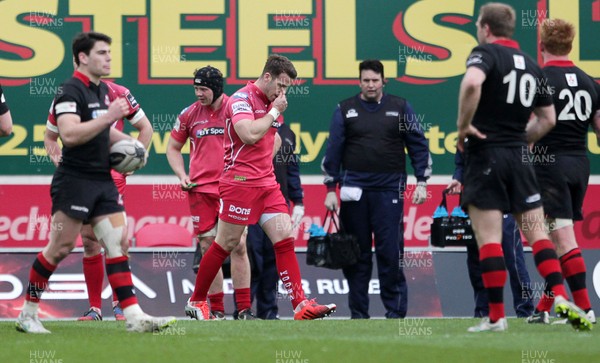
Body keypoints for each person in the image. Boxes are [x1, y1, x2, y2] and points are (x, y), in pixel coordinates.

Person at [15, 31, 175, 334]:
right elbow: (70, 134)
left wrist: (131, 147)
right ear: (83, 58)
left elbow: (106, 132)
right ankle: (27, 313)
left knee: (118, 243)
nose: (109, 58)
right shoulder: (69, 91)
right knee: (59, 248)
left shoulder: (103, 92)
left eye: (109, 52)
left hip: (103, 181)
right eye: (102, 53)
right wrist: (109, 117)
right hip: (75, 181)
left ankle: (133, 316)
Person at [457, 3, 591, 332]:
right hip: (522, 158)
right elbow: (548, 118)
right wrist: (522, 139)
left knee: (488, 237)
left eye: (478, 24)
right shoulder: (533, 66)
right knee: (538, 233)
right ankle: (559, 296)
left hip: (488, 154)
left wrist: (463, 127)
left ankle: (496, 317)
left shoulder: (484, 53)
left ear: (486, 28)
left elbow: (473, 83)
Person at [185, 54, 336, 320]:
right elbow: (249, 134)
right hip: (240, 183)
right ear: (267, 77)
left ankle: (300, 306)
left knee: (285, 240)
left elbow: (273, 140)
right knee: (224, 244)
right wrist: (275, 112)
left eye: (287, 87)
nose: (283, 92)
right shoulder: (242, 99)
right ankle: (197, 301)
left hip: (267, 184)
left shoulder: (271, 103)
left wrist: (264, 160)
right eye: (281, 85)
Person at [322, 59, 431, 319]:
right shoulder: (345, 109)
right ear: (359, 82)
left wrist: (422, 182)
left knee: (390, 253)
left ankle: (395, 313)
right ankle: (359, 315)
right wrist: (329, 189)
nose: (370, 85)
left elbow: (418, 145)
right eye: (366, 80)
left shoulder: (400, 107)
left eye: (375, 80)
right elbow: (333, 151)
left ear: (384, 81)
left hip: (389, 191)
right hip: (354, 192)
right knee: (356, 256)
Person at [44, 79, 153, 321]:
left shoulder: (119, 93)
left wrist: (134, 161)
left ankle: (120, 305)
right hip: (79, 175)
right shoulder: (66, 95)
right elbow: (50, 138)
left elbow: (146, 128)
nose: (104, 61)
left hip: (110, 176)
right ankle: (94, 309)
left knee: (117, 239)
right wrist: (63, 165)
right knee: (89, 241)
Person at [526, 18, 600, 325]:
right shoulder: (590, 81)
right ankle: (544, 308)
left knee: (550, 235)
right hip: (578, 166)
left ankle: (582, 308)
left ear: (541, 46)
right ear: (570, 46)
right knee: (556, 236)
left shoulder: (538, 80)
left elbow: (530, 128)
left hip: (548, 166)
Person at [166, 66, 253, 320]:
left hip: (233, 187)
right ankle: (216, 310)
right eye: (196, 88)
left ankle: (245, 309)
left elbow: (263, 140)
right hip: (200, 191)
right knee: (208, 247)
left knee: (238, 246)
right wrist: (182, 175)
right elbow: (173, 148)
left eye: (203, 89)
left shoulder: (236, 108)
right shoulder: (189, 114)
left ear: (216, 89)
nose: (198, 94)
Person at [447, 151, 534, 318]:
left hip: (505, 206)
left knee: (514, 261)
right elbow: (460, 164)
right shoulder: (466, 134)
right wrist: (457, 178)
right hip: (475, 206)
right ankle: (483, 311)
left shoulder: (503, 132)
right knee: (476, 262)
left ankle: (525, 309)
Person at [247, 121, 304, 319]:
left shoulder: (288, 132)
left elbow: (292, 169)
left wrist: (299, 201)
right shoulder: (249, 127)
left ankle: (269, 311)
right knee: (252, 257)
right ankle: (244, 310)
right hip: (250, 200)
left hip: (278, 202)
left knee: (275, 257)